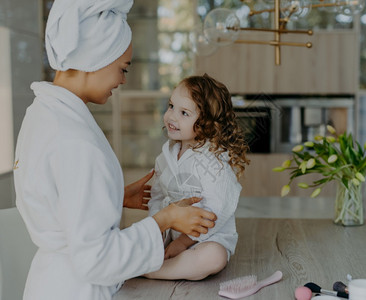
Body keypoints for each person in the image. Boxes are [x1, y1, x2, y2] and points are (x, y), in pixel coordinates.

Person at [13, 1, 216, 299]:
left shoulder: (42, 114)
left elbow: (56, 195)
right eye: (122, 69)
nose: (122, 80)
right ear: (96, 57)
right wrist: (165, 219)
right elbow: (96, 259)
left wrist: (113, 195)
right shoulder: (75, 139)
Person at [143, 74, 249, 281]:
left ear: (207, 123)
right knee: (139, 236)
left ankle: (154, 271)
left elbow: (216, 211)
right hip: (171, 234)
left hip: (207, 239)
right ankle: (157, 261)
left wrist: (182, 243)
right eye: (171, 106)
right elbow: (156, 198)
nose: (171, 116)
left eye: (184, 113)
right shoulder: (164, 158)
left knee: (214, 257)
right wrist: (158, 231)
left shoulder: (215, 161)